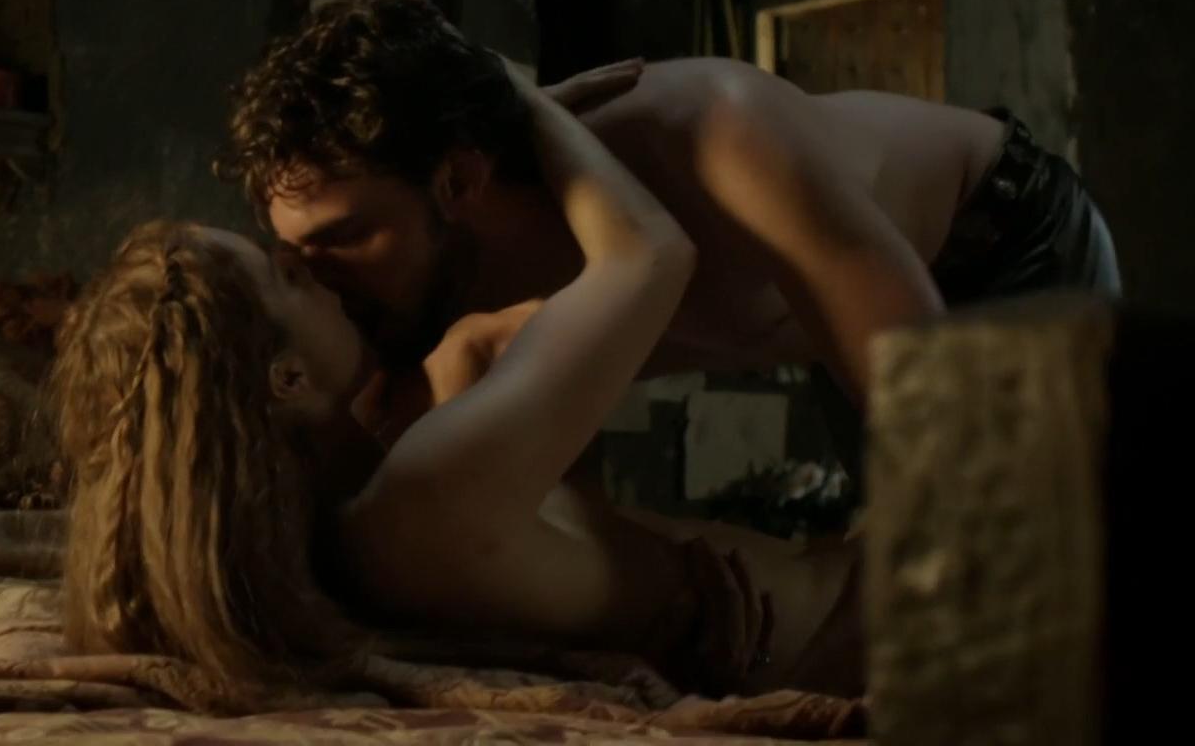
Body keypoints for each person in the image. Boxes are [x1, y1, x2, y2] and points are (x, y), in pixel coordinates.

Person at [50, 61, 863, 702]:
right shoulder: (420, 503)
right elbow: (650, 256)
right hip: (855, 631)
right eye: (287, 276)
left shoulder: (359, 516)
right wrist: (516, 94)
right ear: (287, 378)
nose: (320, 274)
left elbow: (512, 359)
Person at [214, 0, 1121, 480]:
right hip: (849, 334)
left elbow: (945, 441)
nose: (319, 277)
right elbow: (368, 480)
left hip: (1003, 241)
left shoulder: (714, 136)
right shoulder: (421, 290)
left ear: (459, 181)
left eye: (343, 236)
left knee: (1049, 582)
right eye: (296, 255)